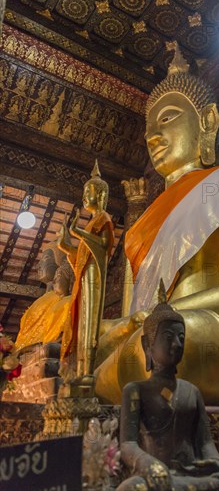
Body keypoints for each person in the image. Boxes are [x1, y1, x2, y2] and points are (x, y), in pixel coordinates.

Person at [95, 46, 219, 406]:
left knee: (173, 343)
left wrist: (152, 317)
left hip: (218, 340)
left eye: (166, 119)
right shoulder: (139, 229)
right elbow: (128, 322)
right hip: (146, 340)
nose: (151, 137)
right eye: (148, 129)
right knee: (90, 356)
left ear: (207, 121)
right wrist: (114, 330)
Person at [118, 292, 219, 490]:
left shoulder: (192, 391)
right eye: (168, 337)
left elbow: (205, 443)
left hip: (194, 475)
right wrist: (149, 465)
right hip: (158, 477)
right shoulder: (135, 390)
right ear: (147, 345)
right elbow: (128, 445)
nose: (177, 344)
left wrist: (214, 462)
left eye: (181, 337)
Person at [58, 160, 114, 396]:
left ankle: (87, 374)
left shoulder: (103, 219)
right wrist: (66, 246)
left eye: (88, 191)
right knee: (80, 323)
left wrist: (78, 232)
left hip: (94, 276)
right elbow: (80, 256)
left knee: (89, 323)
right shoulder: (92, 222)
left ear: (100, 194)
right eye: (84, 191)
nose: (84, 196)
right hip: (84, 277)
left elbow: (103, 247)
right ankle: (78, 374)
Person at [15, 243, 67, 350]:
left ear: (59, 262)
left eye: (46, 258)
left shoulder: (64, 300)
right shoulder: (40, 301)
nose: (38, 265)